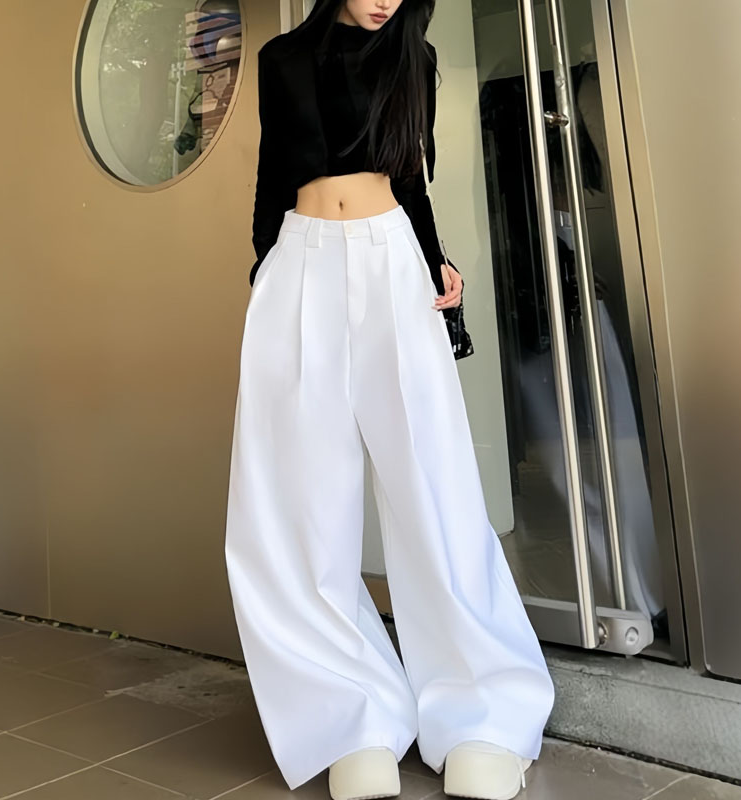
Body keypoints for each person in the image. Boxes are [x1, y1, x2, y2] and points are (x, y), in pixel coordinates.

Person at [223, 2, 555, 798]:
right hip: (299, 266)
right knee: (300, 503)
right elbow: (272, 176)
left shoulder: (414, 56)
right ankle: (351, 717)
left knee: (432, 488)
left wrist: (436, 262)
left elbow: (411, 177)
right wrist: (267, 275)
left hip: (391, 263)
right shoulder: (281, 59)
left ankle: (483, 712)